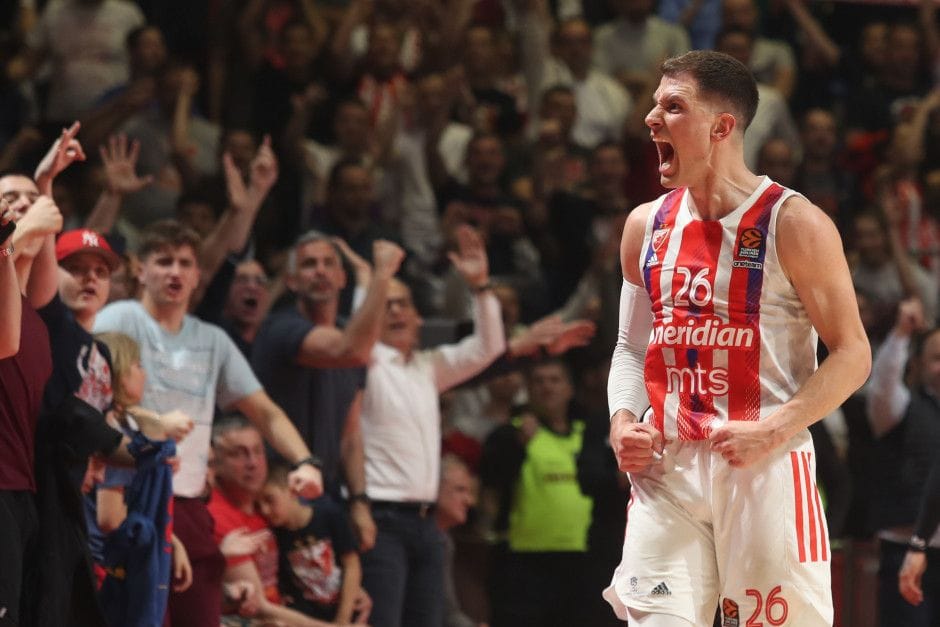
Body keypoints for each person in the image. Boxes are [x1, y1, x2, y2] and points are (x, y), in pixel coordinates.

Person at [604, 51, 870, 626]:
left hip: (764, 465)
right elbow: (631, 348)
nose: (651, 119)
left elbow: (853, 354)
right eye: (654, 105)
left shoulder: (794, 223)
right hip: (666, 469)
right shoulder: (644, 225)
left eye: (673, 107)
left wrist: (774, 428)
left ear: (721, 127)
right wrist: (622, 419)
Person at [94, 219, 324, 627]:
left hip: (189, 504)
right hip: (129, 498)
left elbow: (265, 411)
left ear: (198, 275)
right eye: (164, 261)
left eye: (185, 263)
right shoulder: (119, 319)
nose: (175, 272)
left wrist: (305, 461)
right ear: (141, 270)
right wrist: (151, 423)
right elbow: (94, 398)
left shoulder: (212, 339)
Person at [359, 224, 505, 627]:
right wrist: (376, 279)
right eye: (386, 305)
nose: (396, 312)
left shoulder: (427, 367)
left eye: (403, 304)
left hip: (426, 521)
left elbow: (489, 347)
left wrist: (480, 287)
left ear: (418, 317)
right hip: (381, 517)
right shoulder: (365, 362)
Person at [252, 232, 404, 550]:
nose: (320, 271)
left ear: (342, 278)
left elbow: (350, 435)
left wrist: (359, 501)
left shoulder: (351, 336)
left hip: (328, 495)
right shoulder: (280, 328)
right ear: (291, 281)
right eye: (309, 264)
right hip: (279, 493)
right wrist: (381, 275)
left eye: (328, 263)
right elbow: (348, 350)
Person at [208, 415, 363, 626]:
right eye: (238, 454)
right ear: (214, 462)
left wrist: (347, 592)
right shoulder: (218, 515)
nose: (252, 462)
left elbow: (340, 564)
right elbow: (260, 609)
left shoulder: (268, 508)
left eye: (258, 451)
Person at [86, 331, 193, 616]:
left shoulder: (124, 426)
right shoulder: (114, 433)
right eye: (138, 365)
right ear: (120, 375)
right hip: (111, 574)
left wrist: (172, 541)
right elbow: (110, 518)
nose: (144, 374)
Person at [867, 298, 940, 626]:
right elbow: (882, 384)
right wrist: (900, 333)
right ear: (918, 365)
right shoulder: (900, 407)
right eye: (937, 359)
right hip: (905, 550)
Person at [258, 462, 362, 624]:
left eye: (269, 500)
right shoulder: (274, 535)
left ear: (292, 491)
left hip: (342, 611)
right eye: (258, 505)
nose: (264, 510)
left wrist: (342, 620)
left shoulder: (329, 514)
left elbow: (352, 565)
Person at [435, 454, 486, 627]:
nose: (469, 501)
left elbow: (448, 611)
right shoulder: (431, 541)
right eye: (460, 490)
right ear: (434, 489)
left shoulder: (445, 540)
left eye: (469, 492)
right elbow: (445, 611)